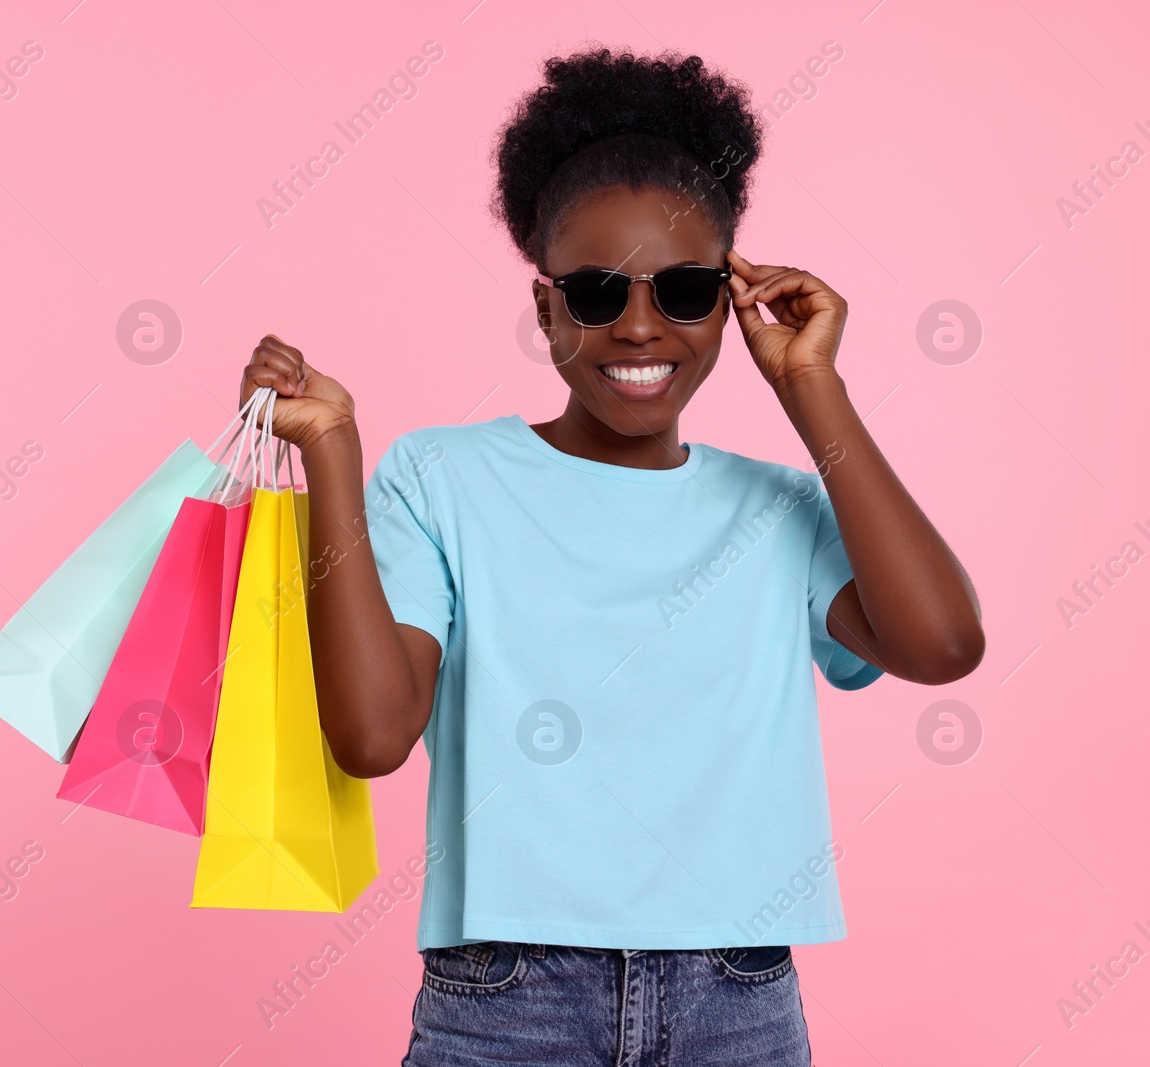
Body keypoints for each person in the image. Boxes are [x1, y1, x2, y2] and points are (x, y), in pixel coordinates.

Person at [237, 45, 984, 1067]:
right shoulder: (439, 479)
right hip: (506, 1000)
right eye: (595, 293)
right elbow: (370, 734)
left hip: (738, 996)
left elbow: (941, 643)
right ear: (546, 309)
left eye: (684, 289)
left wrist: (811, 386)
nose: (640, 326)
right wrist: (330, 450)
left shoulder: (780, 507)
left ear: (731, 300)